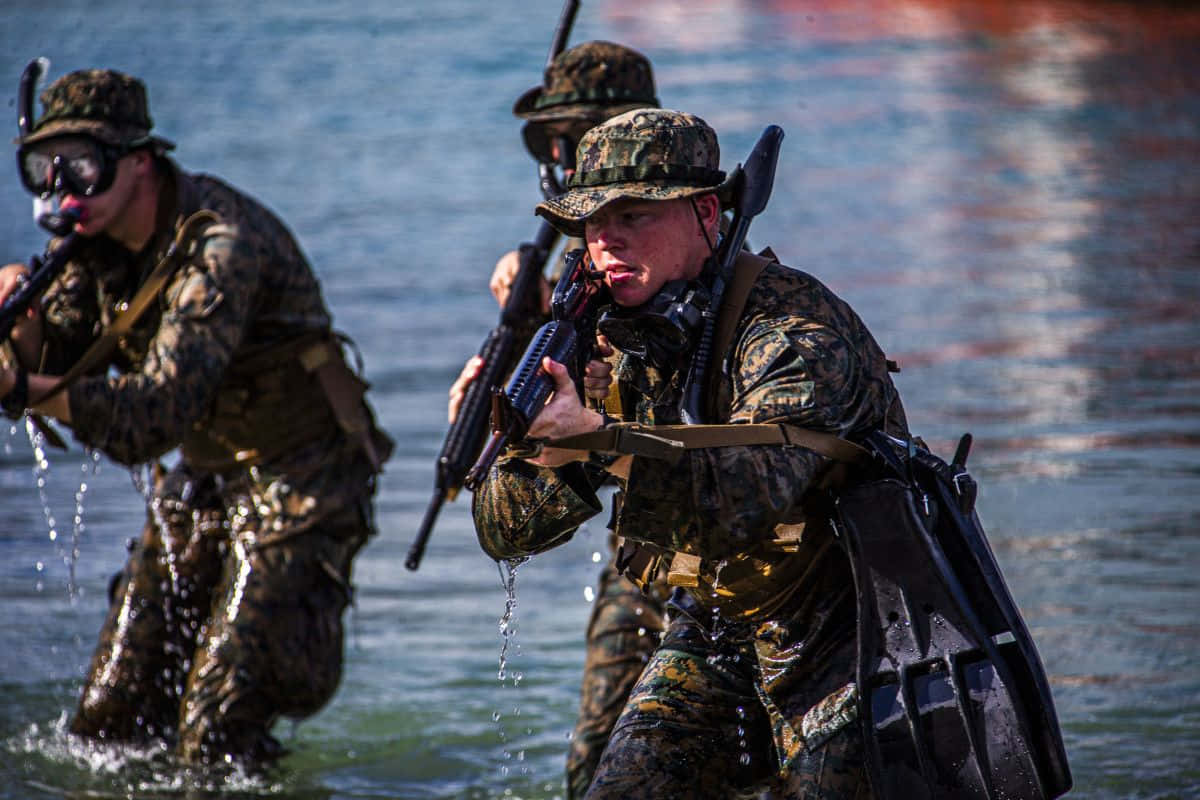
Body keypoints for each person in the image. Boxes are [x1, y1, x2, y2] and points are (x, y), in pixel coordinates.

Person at [472, 108, 908, 797]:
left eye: (633, 216)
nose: (605, 241)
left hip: (851, 632)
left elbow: (738, 501)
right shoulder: (619, 337)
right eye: (591, 222)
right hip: (718, 628)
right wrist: (543, 443)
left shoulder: (793, 333)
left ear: (706, 213)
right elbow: (508, 533)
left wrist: (598, 439)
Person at [0, 68, 392, 766]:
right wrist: (20, 336)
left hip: (303, 474)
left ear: (140, 161)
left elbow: (151, 418)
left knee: (215, 728)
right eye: (44, 168)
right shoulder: (92, 248)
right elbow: (59, 356)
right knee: (106, 718)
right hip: (208, 475)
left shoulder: (221, 246)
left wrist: (25, 387)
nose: (64, 189)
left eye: (84, 167)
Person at [447, 41, 671, 799]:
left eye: (582, 142)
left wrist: (599, 429)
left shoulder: (686, 263)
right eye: (561, 154)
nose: (574, 166)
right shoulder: (574, 283)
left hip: (747, 560)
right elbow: (508, 526)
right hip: (650, 547)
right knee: (596, 770)